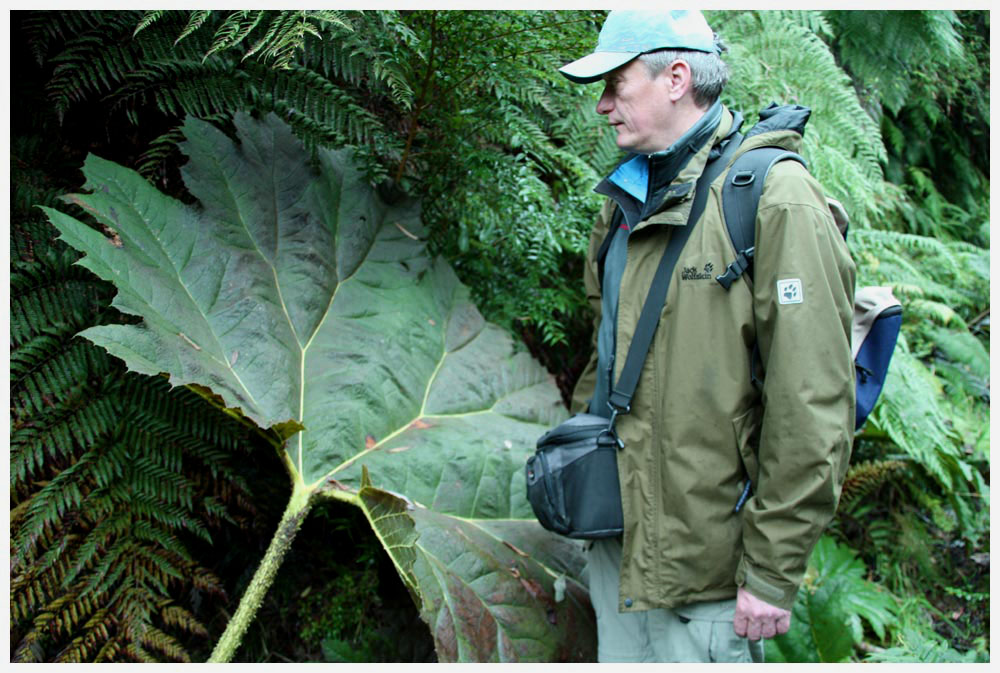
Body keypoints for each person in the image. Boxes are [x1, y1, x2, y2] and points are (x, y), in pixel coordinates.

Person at [559, 10, 856, 663]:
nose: (603, 106)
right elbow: (605, 363)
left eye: (615, 83)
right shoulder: (623, 201)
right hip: (618, 548)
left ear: (676, 77)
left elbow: (812, 404)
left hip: (713, 579)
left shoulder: (774, 200)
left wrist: (773, 570)